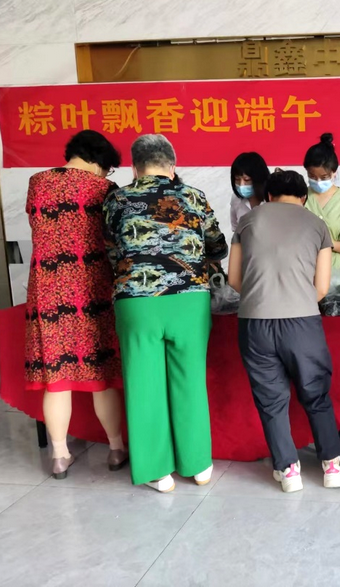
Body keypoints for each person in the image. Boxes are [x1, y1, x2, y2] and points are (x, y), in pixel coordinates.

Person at [103, 134, 227, 493]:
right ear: (172, 166)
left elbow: (112, 248)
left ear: (134, 167)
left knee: (143, 384)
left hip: (136, 301)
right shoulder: (194, 196)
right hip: (189, 301)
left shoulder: (117, 199)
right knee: (189, 379)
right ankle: (198, 464)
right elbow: (217, 246)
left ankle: (157, 471)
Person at [228, 169, 340, 492]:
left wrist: (262, 299)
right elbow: (322, 287)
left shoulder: (247, 222)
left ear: (268, 195)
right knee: (315, 393)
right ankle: (331, 465)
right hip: (302, 322)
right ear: (304, 197)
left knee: (271, 400)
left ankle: (288, 470)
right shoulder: (317, 225)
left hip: (255, 322)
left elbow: (234, 279)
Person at [25, 130, 126, 479]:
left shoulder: (37, 182)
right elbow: (113, 240)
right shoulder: (104, 189)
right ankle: (116, 448)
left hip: (47, 291)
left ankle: (59, 455)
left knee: (57, 378)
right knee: (102, 375)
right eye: (107, 167)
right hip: (91, 290)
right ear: (99, 161)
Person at [304, 133, 340, 269]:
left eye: (324, 177)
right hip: (303, 269)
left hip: (335, 272)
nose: (318, 181)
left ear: (334, 172)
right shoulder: (300, 197)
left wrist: (327, 243)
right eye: (312, 176)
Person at [229, 152, 270, 233]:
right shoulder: (236, 199)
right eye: (237, 179)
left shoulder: (272, 200)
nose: (241, 185)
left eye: (247, 180)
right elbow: (235, 229)